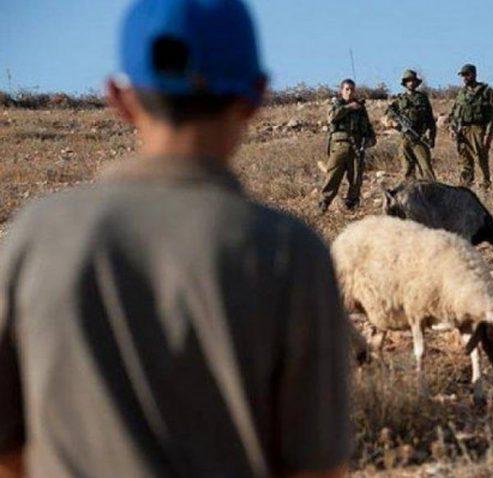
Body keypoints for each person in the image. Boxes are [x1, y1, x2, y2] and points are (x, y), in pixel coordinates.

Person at [0, 1, 351, 477]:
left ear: (118, 98)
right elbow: (315, 466)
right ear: (256, 96)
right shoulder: (291, 255)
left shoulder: (35, 237)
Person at [319, 79, 376, 213]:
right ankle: (324, 203)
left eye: (352, 89)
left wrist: (371, 139)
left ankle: (352, 204)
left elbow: (368, 126)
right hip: (340, 145)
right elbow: (332, 117)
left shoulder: (360, 109)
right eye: (347, 89)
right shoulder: (336, 104)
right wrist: (349, 107)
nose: (349, 92)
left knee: (356, 178)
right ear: (342, 90)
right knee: (333, 176)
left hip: (356, 147)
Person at [449, 64, 493, 189]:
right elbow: (454, 112)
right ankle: (465, 188)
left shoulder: (485, 91)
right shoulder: (462, 93)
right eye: (462, 75)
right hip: (462, 129)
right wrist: (452, 128)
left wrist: (488, 134)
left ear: (474, 74)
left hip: (477, 129)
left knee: (481, 158)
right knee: (464, 159)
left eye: (467, 75)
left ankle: (485, 187)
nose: (464, 78)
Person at [386, 70, 436, 180]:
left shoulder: (423, 99)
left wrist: (432, 137)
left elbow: (431, 121)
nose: (411, 83)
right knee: (407, 170)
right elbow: (387, 117)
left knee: (426, 169)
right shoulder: (399, 100)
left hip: (419, 138)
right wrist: (394, 124)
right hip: (405, 138)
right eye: (408, 81)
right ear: (405, 83)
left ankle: (431, 190)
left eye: (413, 80)